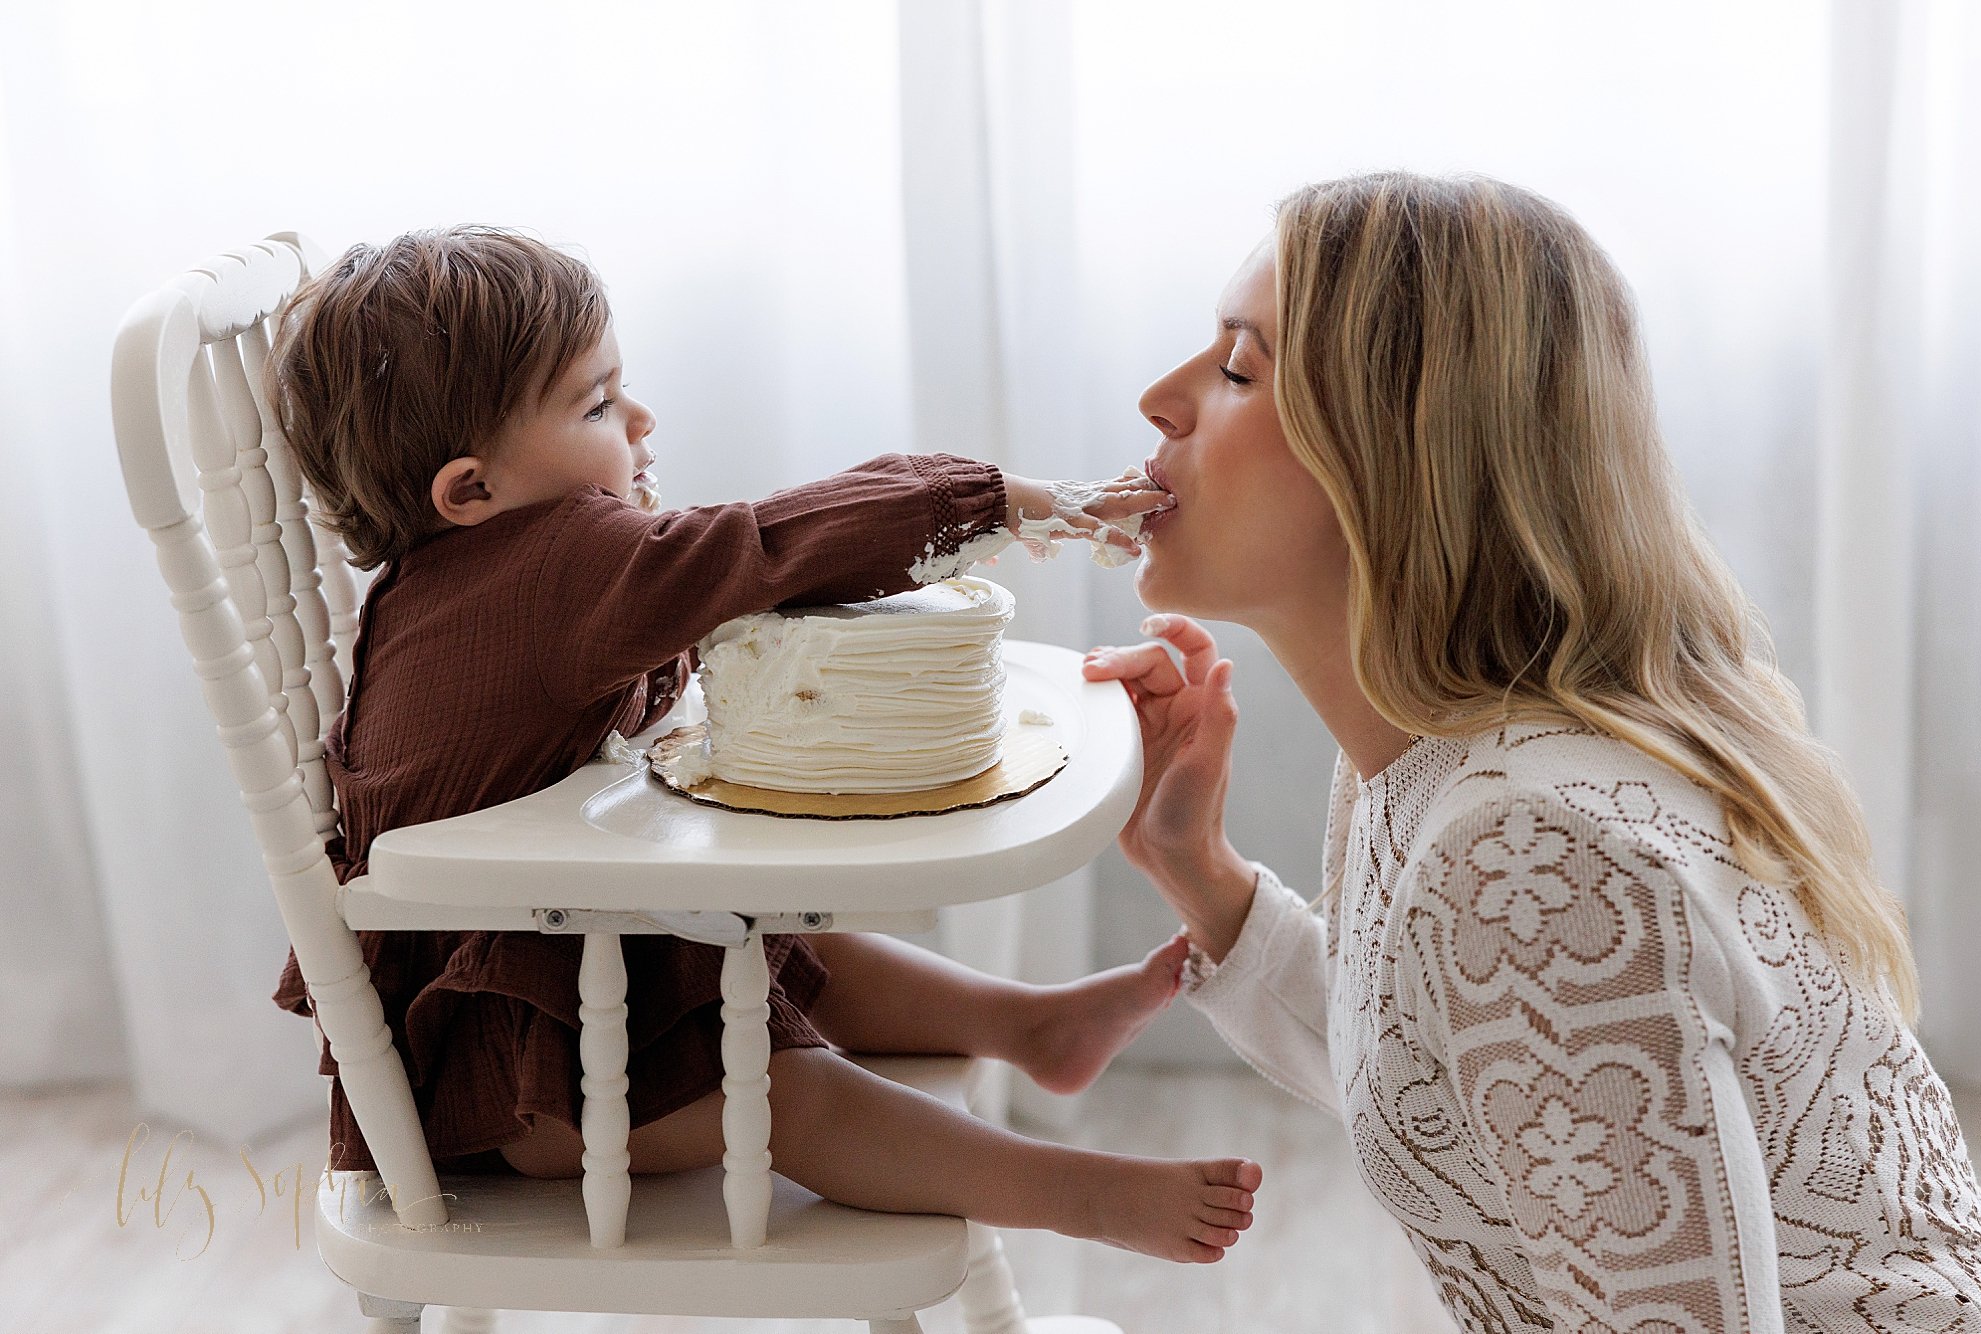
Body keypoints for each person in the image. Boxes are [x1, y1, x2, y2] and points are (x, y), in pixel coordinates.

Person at [1084, 173, 1981, 1324]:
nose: (1157, 399)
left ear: (1400, 444)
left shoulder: (1523, 843)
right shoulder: (1446, 765)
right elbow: (1462, 1099)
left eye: (1235, 370)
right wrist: (1197, 872)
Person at [264, 225, 1258, 1263]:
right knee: (786, 1094)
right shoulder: (556, 565)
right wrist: (1001, 499)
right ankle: (1070, 1191)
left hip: (549, 969)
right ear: (470, 489)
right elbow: (762, 547)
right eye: (598, 403)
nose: (641, 417)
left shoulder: (462, 577)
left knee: (778, 937)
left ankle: (1022, 1024)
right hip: (522, 1082)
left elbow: (701, 585)